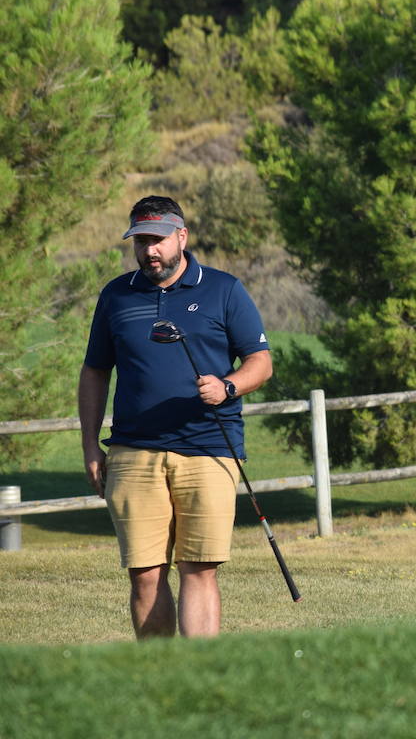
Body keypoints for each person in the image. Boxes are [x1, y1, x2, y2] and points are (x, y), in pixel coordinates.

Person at [79, 196, 273, 639]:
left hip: (209, 448)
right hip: (132, 452)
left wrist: (228, 386)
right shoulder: (116, 295)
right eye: (141, 241)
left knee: (198, 567)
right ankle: (160, 678)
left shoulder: (224, 289)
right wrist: (90, 445)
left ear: (181, 237)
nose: (150, 250)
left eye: (158, 240)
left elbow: (260, 361)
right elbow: (94, 371)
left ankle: (198, 675)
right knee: (144, 573)